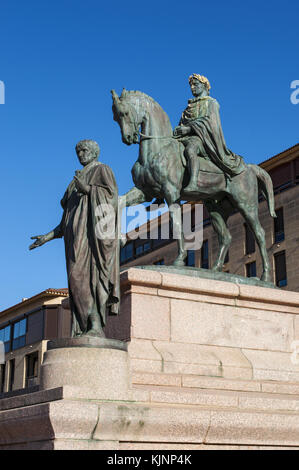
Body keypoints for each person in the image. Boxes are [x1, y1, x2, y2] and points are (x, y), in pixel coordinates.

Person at [29, 139, 120, 338]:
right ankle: (87, 325)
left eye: (84, 150)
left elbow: (111, 199)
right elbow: (66, 220)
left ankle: (95, 324)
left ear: (95, 152)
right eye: (78, 151)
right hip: (72, 239)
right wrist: (47, 237)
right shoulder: (74, 181)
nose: (80, 154)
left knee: (82, 279)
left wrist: (88, 189)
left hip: (90, 238)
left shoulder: (102, 170)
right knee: (76, 281)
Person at [173, 73, 245, 191]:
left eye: (195, 84)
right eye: (191, 85)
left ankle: (193, 182)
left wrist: (190, 128)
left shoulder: (211, 103)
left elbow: (211, 124)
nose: (192, 87)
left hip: (202, 139)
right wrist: (178, 130)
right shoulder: (187, 108)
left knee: (191, 150)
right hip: (184, 138)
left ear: (204, 86)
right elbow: (181, 124)